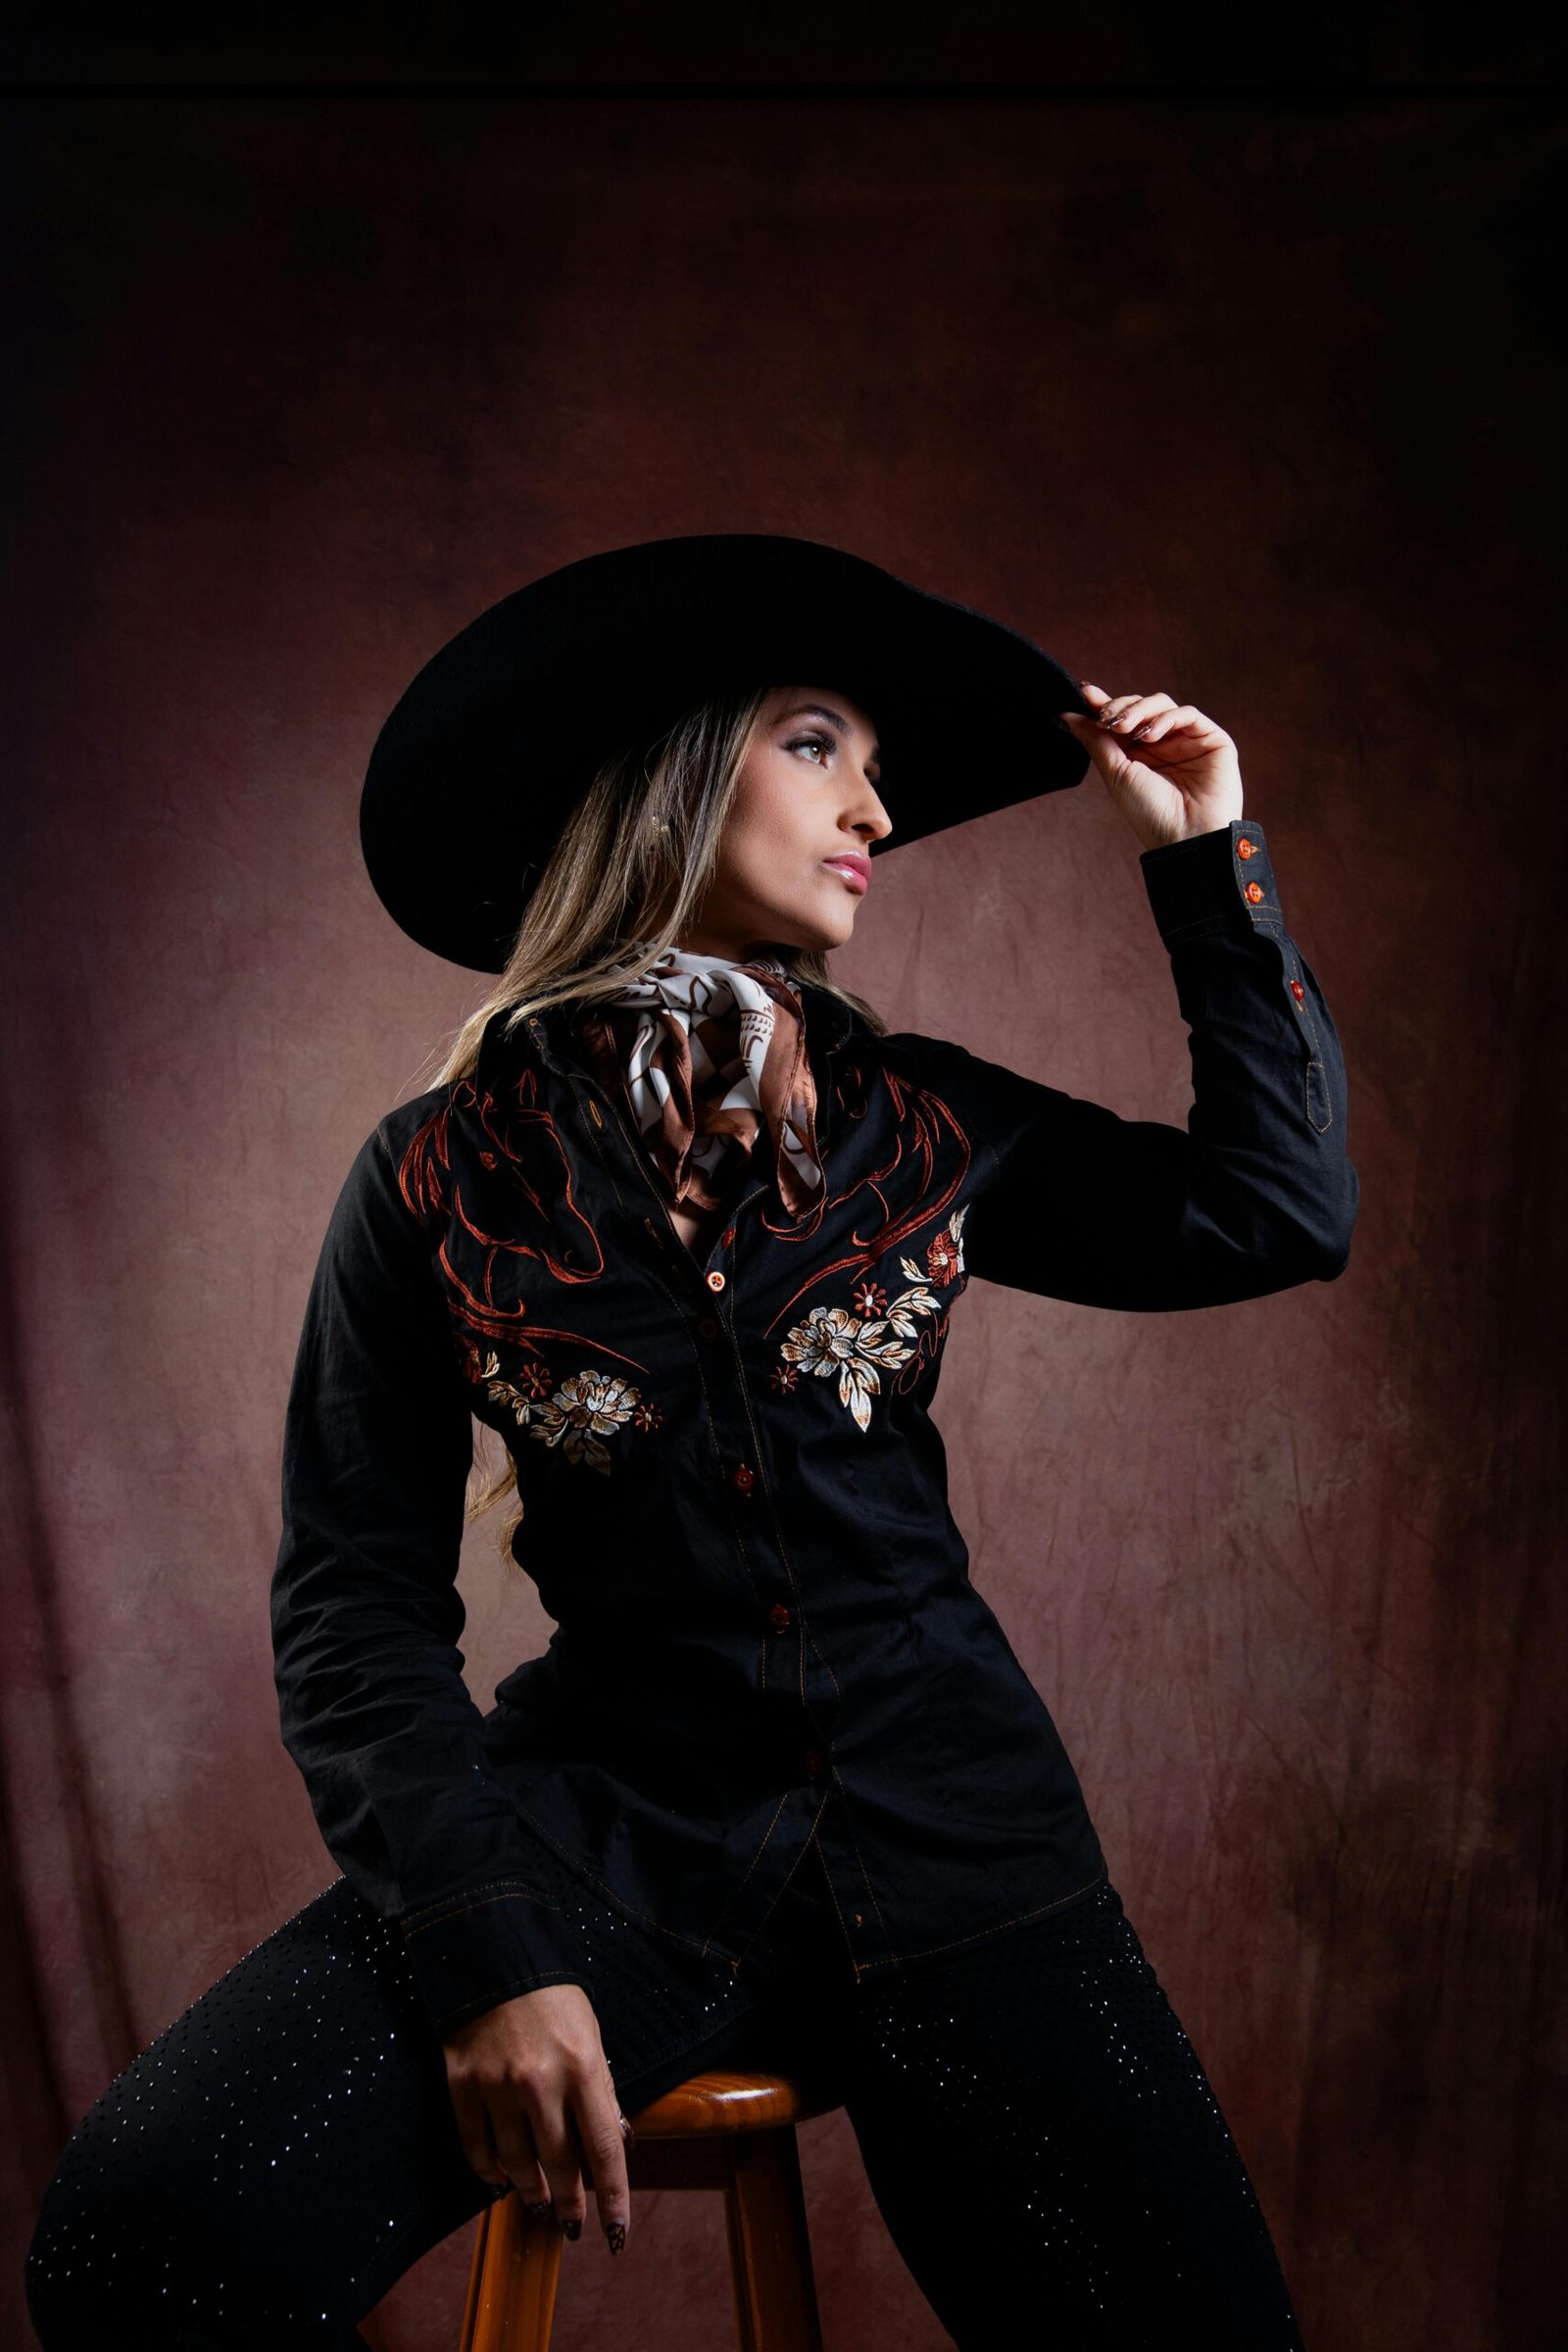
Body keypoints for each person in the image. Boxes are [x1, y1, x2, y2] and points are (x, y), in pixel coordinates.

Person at [24, 534, 1357, 2350]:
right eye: (821, 746)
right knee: (144, 2235)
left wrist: (1206, 853)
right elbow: (355, 1609)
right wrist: (490, 1951)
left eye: (874, 763)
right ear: (667, 772)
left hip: (964, 1855)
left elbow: (1274, 1211)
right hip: (609, 1856)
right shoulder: (436, 1173)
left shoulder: (922, 1123)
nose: (876, 806)